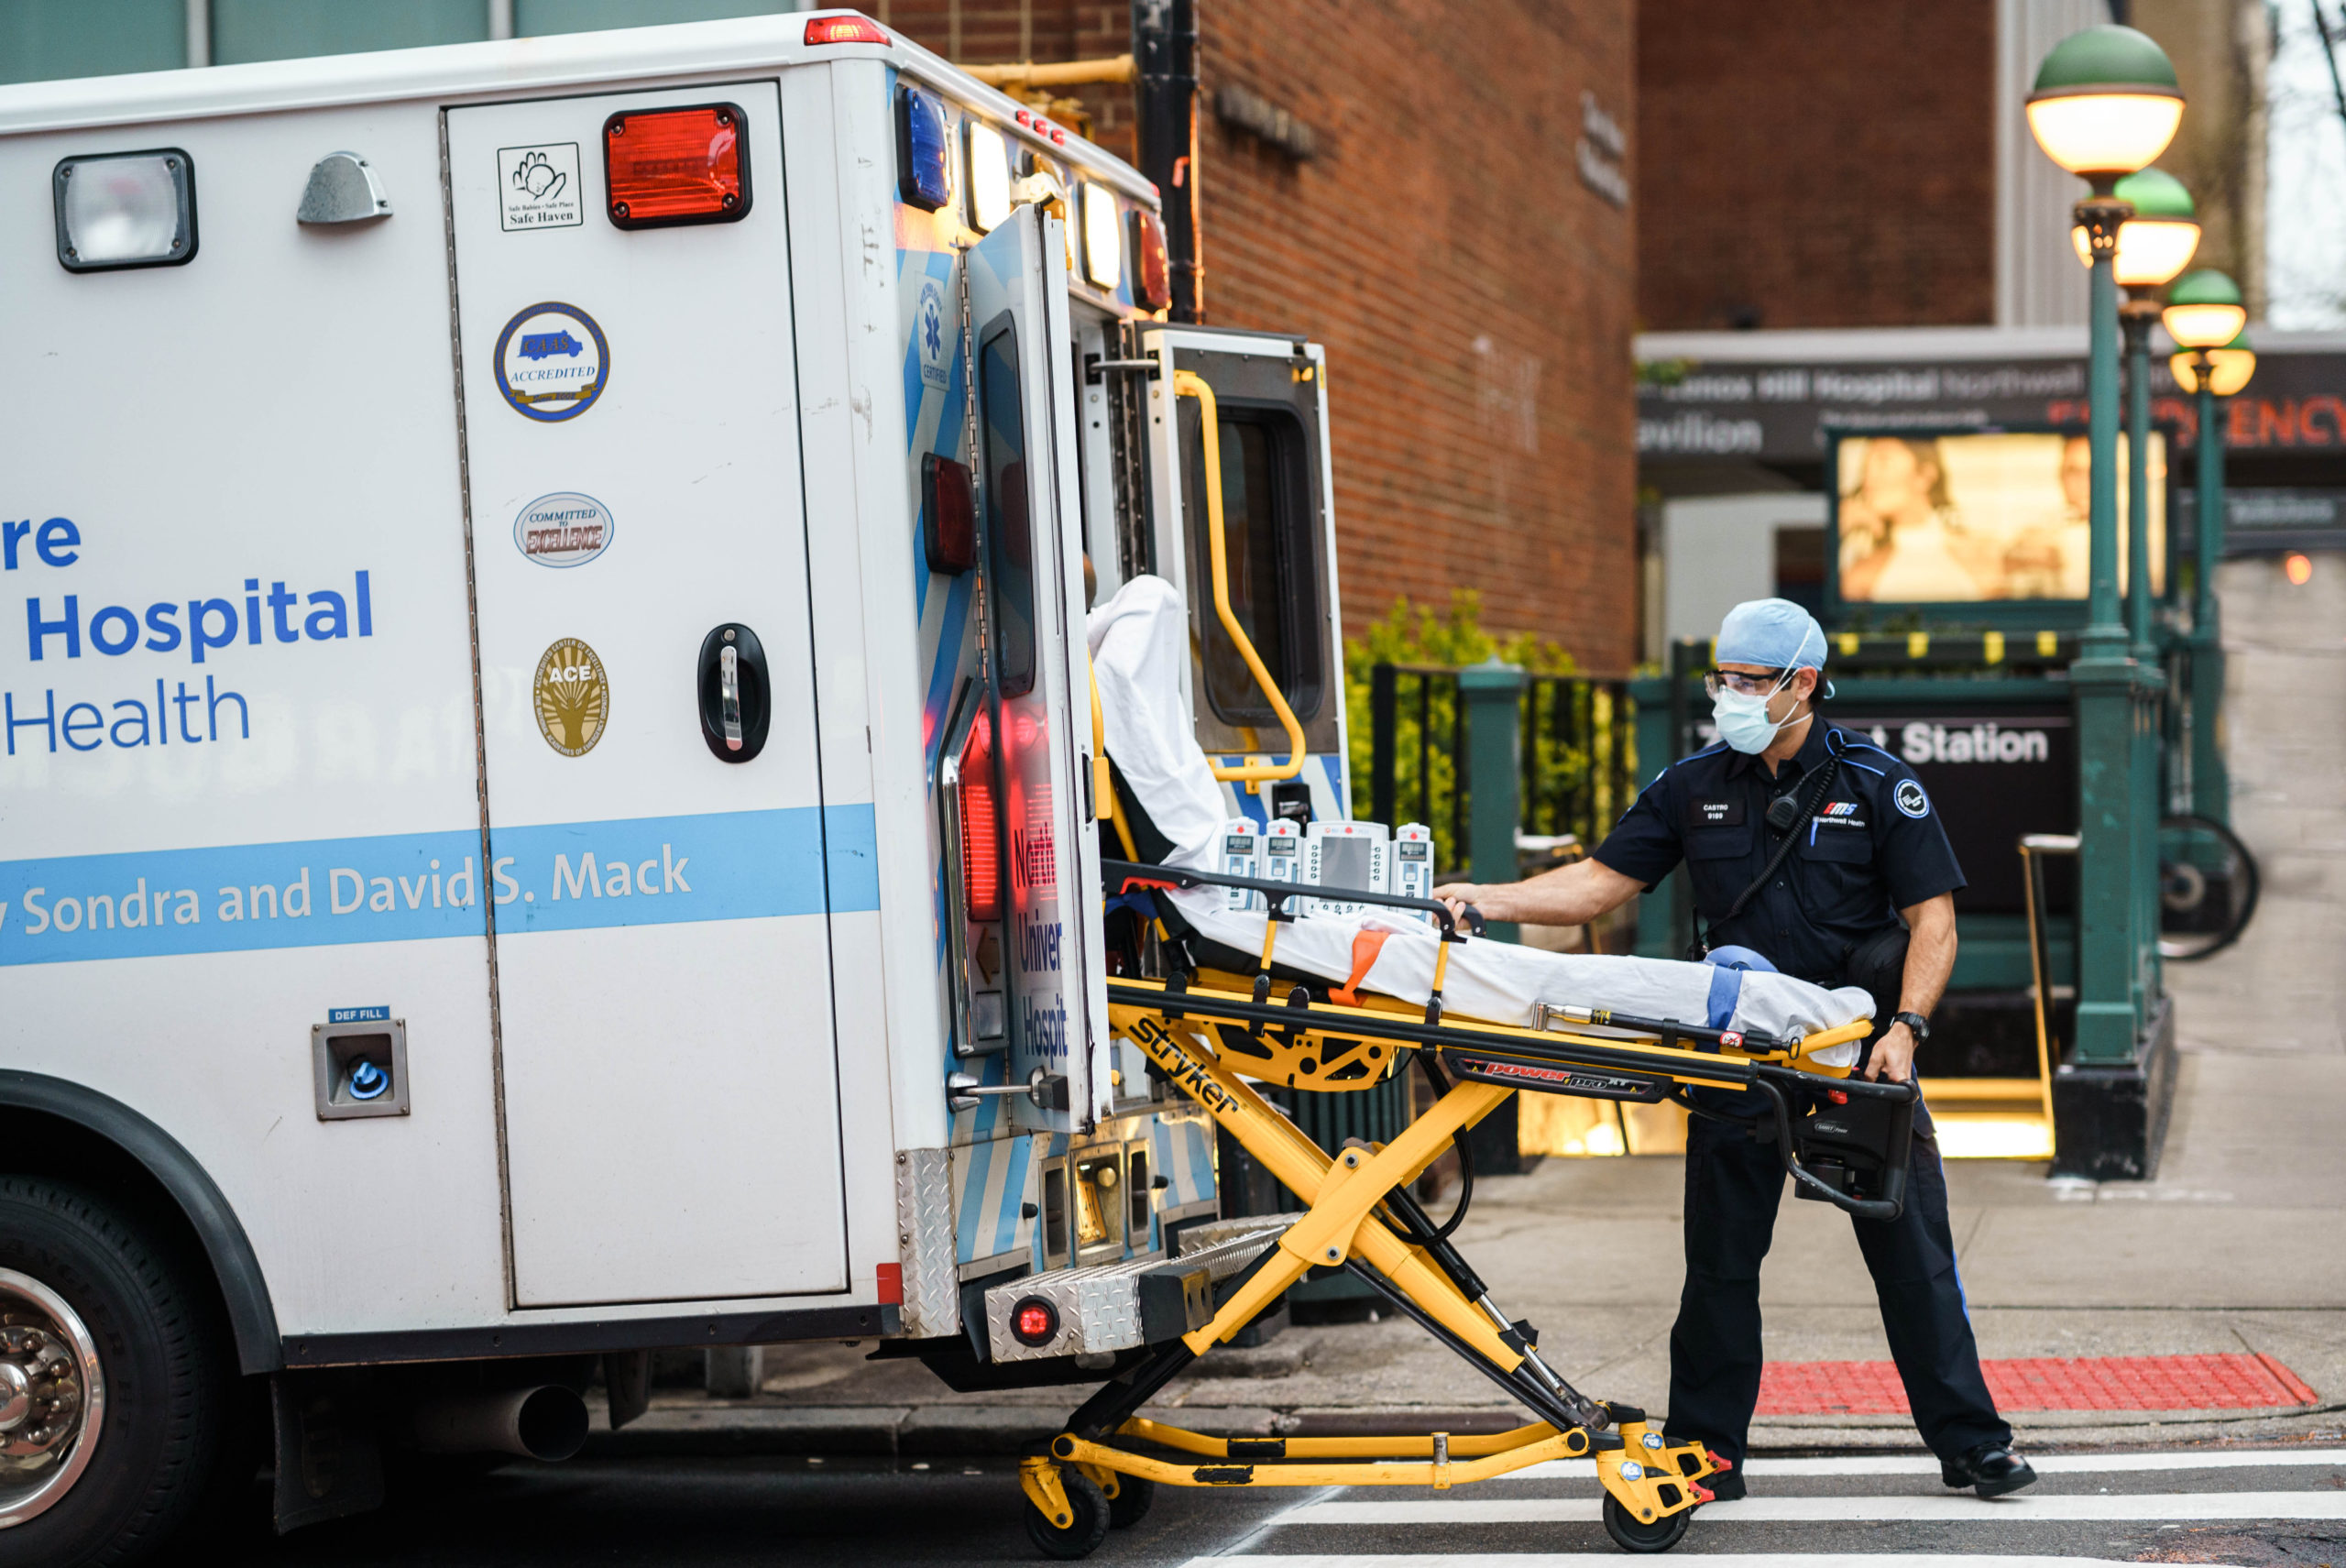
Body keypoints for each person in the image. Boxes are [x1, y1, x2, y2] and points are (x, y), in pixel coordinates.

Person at [1434, 598, 2035, 1500]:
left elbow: (1932, 923)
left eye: (1750, 681)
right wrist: (1481, 897)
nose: (1731, 695)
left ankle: (1970, 1441)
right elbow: (1597, 885)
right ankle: (1709, 1449)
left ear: (1801, 683)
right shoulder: (1690, 783)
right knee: (1717, 1268)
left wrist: (1906, 1029)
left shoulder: (1877, 784)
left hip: (1854, 1060)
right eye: (1724, 679)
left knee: (1913, 1260)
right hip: (1737, 1058)